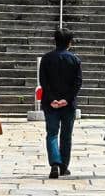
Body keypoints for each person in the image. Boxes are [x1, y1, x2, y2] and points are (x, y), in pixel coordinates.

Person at [39, 26, 82, 180]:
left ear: (55, 41)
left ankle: (55, 163)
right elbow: (77, 83)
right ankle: (64, 166)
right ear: (70, 42)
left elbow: (43, 81)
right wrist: (67, 99)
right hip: (68, 104)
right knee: (66, 135)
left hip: (50, 104)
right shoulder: (75, 59)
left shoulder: (46, 58)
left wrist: (52, 99)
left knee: (51, 133)